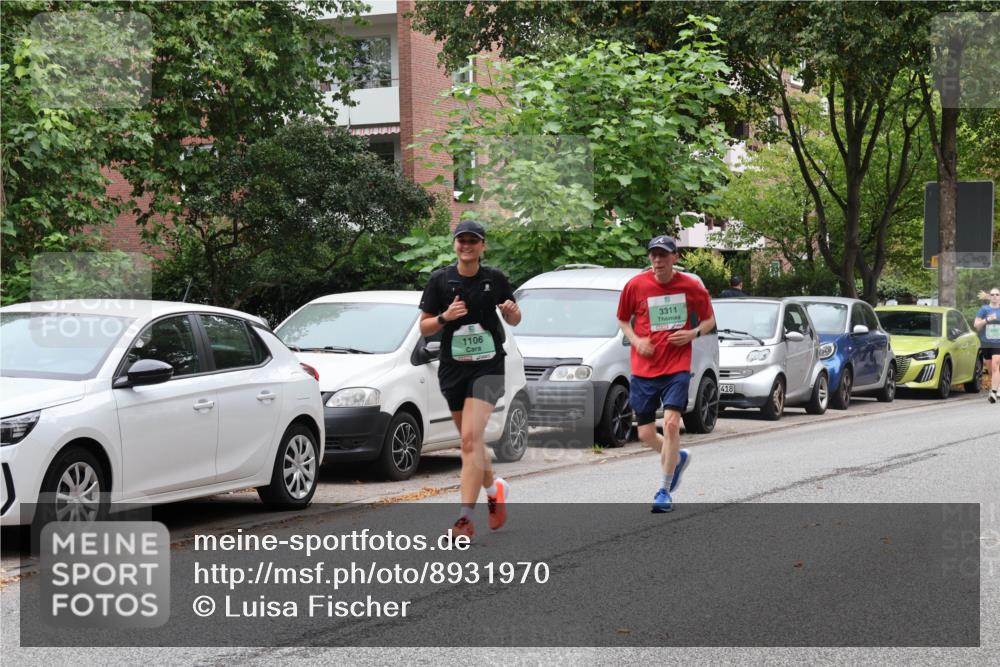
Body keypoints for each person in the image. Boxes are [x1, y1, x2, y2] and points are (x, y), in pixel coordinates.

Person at [419, 220, 521, 539]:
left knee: (468, 440)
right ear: (454, 245)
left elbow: (516, 316)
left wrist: (509, 311)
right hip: (453, 368)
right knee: (471, 443)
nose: (467, 245)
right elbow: (424, 327)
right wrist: (444, 317)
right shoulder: (440, 281)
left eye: (473, 241)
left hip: (488, 367)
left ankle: (464, 519)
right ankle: (494, 492)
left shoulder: (494, 279)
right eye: (461, 240)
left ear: (482, 246)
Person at [617, 235, 716, 513]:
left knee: (672, 424)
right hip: (644, 368)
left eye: (663, 255)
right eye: (653, 255)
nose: (658, 260)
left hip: (676, 366)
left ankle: (664, 489)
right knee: (646, 433)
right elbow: (623, 319)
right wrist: (637, 341)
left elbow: (709, 320)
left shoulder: (690, 286)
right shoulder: (635, 285)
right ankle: (677, 458)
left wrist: (693, 333)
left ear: (675, 258)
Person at [973, 287, 1000, 403]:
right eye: (992, 294)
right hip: (986, 342)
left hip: (998, 343)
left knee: (995, 365)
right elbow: (976, 325)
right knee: (990, 369)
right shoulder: (984, 309)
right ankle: (998, 386)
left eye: (997, 294)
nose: (995, 296)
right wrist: (987, 320)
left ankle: (993, 392)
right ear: (989, 296)